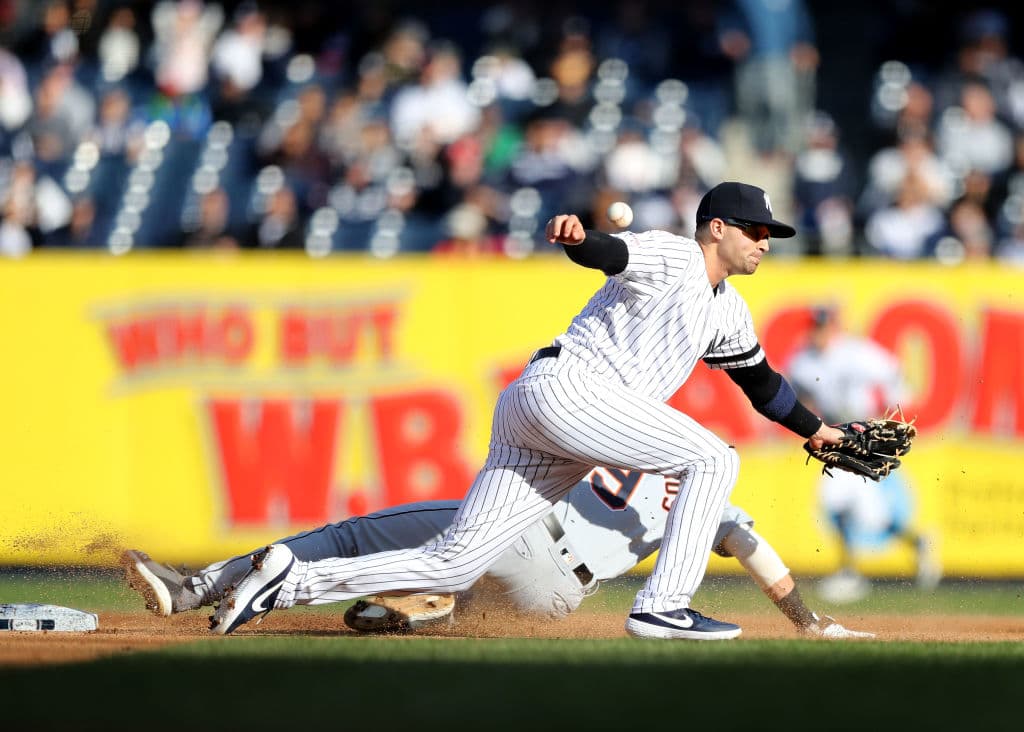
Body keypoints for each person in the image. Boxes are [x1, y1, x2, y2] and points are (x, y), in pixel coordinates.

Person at [207, 181, 846, 640]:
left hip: (546, 416)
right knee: (712, 459)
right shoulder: (677, 255)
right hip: (571, 389)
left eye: (771, 234)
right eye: (757, 230)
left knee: (455, 561)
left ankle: (290, 581)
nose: (766, 241)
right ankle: (663, 607)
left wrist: (820, 434)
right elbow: (609, 253)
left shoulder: (728, 308)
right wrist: (579, 238)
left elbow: (763, 387)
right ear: (718, 229)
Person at [123, 467, 871, 639]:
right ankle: (428, 610)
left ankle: (198, 589)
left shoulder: (621, 428)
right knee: (462, 598)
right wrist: (809, 623)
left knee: (355, 536)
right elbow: (764, 563)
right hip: (553, 597)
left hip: (520, 535)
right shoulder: (719, 497)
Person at [788, 306, 941, 603]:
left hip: (863, 434)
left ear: (835, 326)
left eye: (825, 325)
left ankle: (853, 572)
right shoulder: (803, 360)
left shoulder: (854, 352)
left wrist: (894, 408)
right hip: (834, 433)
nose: (820, 332)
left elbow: (894, 372)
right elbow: (799, 395)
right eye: (816, 326)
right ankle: (905, 547)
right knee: (846, 508)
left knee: (856, 511)